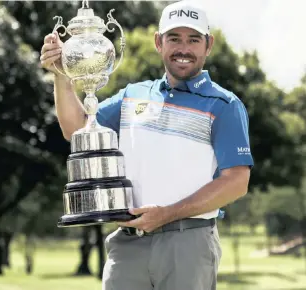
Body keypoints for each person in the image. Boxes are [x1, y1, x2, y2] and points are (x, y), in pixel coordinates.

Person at [40, 1, 254, 289]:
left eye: (193, 40)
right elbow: (77, 129)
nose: (183, 49)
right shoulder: (133, 95)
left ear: (208, 45)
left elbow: (237, 181)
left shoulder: (225, 105)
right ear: (158, 42)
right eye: (173, 38)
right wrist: (62, 76)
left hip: (187, 243)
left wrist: (167, 214)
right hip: (128, 245)